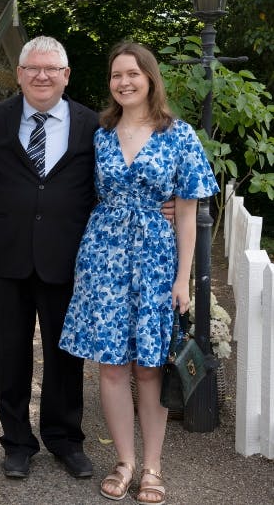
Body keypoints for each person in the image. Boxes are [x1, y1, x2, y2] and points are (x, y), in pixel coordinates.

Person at [59, 42, 219, 504]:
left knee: (149, 369)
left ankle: (153, 466)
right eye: (116, 75)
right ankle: (124, 461)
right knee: (111, 367)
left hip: (154, 260)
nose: (124, 82)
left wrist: (182, 280)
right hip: (103, 259)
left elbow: (187, 214)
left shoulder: (179, 134)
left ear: (150, 78)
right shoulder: (101, 135)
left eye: (133, 73)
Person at [0, 36, 98, 479]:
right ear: (20, 74)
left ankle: (65, 439)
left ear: (67, 75)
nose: (42, 76)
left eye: (52, 69)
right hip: (8, 254)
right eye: (33, 68)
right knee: (10, 353)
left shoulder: (92, 124)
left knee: (65, 354)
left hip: (67, 255)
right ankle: (16, 442)